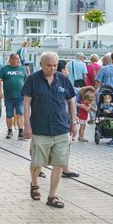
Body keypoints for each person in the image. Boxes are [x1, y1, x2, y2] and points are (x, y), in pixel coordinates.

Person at [22, 52, 77, 208]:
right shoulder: (33, 79)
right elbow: (26, 103)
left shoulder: (63, 80)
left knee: (59, 162)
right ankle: (34, 183)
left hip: (61, 129)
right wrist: (27, 125)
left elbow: (71, 101)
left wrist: (74, 122)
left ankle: (52, 196)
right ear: (41, 64)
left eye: (55, 65)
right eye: (49, 65)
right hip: (40, 129)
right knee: (37, 162)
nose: (52, 68)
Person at [0, 53, 26, 140]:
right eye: (16, 59)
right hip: (9, 96)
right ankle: (9, 131)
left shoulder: (22, 69)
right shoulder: (5, 69)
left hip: (20, 96)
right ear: (11, 59)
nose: (17, 61)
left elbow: (25, 81)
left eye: (18, 59)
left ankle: (21, 131)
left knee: (20, 112)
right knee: (9, 114)